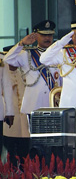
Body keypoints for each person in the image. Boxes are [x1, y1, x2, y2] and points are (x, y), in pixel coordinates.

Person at [3, 20, 59, 163]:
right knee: (36, 144)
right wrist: (22, 43)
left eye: (50, 35)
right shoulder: (26, 54)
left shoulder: (58, 54)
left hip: (54, 105)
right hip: (34, 105)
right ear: (36, 36)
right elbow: (8, 59)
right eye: (43, 35)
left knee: (55, 143)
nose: (47, 38)